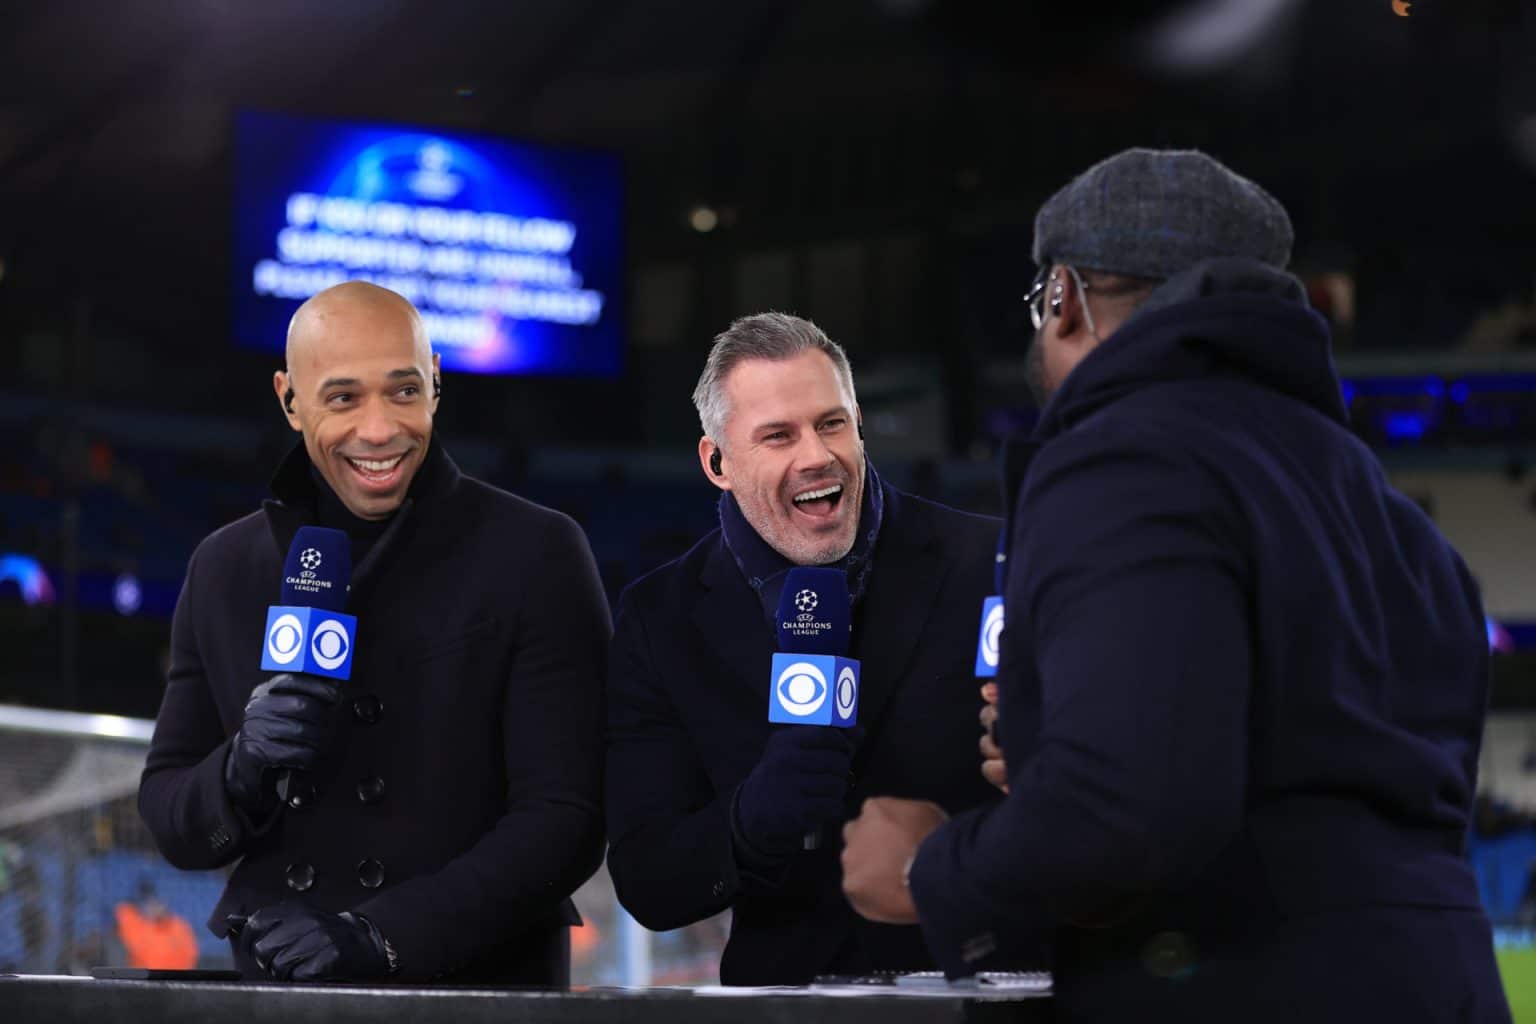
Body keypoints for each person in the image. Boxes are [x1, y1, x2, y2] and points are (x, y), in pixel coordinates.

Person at [841, 149, 1511, 1021]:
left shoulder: (1126, 455)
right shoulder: (1385, 507)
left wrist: (930, 869)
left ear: (1066, 298)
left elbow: (1125, 806)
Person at [138, 281, 609, 985]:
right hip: (276, 984)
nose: (381, 428)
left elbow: (567, 820)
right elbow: (170, 814)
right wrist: (239, 771)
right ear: (289, 399)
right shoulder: (225, 566)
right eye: (343, 397)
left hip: (480, 990)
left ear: (437, 385)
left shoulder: (538, 551)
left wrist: (381, 936)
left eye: (403, 391)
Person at [604, 312, 1004, 984]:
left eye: (831, 423)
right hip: (786, 1000)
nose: (816, 455)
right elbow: (650, 883)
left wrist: (949, 862)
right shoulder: (658, 615)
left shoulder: (991, 560)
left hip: (985, 989)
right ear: (718, 462)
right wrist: (756, 820)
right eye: (778, 436)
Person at [115, 879, 199, 970]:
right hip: (142, 980)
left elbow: (190, 957)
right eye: (147, 903)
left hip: (171, 979)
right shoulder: (135, 923)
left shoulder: (179, 927)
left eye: (156, 902)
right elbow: (123, 913)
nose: (152, 907)